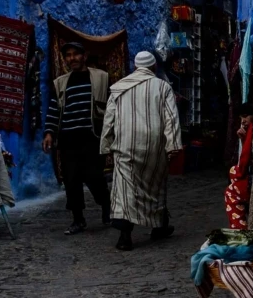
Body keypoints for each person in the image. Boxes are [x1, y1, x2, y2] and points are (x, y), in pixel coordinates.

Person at [100, 50, 184, 250]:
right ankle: (159, 226)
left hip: (125, 145)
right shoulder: (163, 87)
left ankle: (125, 236)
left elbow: (109, 119)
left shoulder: (118, 88)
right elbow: (171, 118)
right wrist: (173, 145)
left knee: (124, 190)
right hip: (154, 146)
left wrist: (105, 145)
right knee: (156, 186)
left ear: (136, 67)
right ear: (154, 67)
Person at [45, 42, 111, 234]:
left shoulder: (101, 77)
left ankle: (106, 205)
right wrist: (49, 133)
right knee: (71, 180)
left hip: (91, 137)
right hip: (68, 139)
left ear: (84, 56)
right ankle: (78, 219)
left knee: (94, 176)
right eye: (68, 55)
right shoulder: (60, 83)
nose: (71, 58)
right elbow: (53, 110)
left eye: (75, 54)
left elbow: (112, 105)